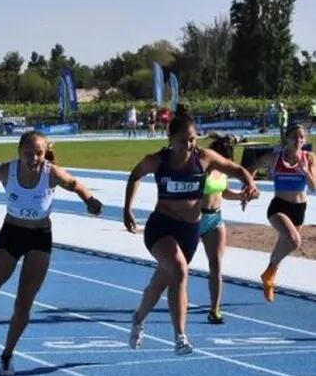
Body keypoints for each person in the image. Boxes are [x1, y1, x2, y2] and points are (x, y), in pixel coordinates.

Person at [0, 131, 102, 375]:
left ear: (45, 152)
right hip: (11, 234)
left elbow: (74, 184)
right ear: (19, 153)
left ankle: (7, 354)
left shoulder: (52, 173)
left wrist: (90, 200)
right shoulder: (9, 170)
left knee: (24, 302)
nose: (34, 158)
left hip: (40, 238)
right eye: (28, 153)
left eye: (39, 153)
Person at [123, 114, 259, 355]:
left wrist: (250, 184)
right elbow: (135, 175)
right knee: (179, 271)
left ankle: (137, 318)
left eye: (193, 139)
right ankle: (180, 337)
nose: (190, 145)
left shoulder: (204, 158)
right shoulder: (157, 161)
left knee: (159, 284)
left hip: (189, 232)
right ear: (171, 139)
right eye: (184, 140)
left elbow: (237, 169)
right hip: (161, 228)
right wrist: (128, 209)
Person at [251, 123, 315, 302]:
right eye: (294, 136)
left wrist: (305, 172)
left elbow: (314, 187)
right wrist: (249, 186)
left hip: (299, 209)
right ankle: (269, 274)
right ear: (286, 139)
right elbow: (253, 167)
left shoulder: (308, 158)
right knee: (294, 241)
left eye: (301, 137)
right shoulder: (275, 158)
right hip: (279, 207)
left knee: (282, 246)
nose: (298, 140)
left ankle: (269, 276)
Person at [198, 134, 249, 324]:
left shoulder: (223, 172)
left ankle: (214, 310)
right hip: (194, 219)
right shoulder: (201, 170)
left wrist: (241, 196)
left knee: (216, 266)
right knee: (179, 266)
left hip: (215, 218)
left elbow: (223, 192)